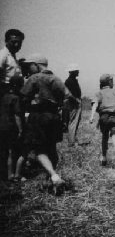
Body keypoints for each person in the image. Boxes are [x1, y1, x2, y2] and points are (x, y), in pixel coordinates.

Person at [20, 54, 68, 189]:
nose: (29, 68)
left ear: (36, 64)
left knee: (39, 150)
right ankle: (50, 181)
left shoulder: (34, 78)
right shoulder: (57, 79)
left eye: (30, 65)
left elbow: (23, 98)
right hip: (54, 116)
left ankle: (54, 176)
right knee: (52, 149)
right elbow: (68, 99)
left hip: (39, 116)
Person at [0, 75, 24, 182]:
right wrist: (20, 129)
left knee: (3, 151)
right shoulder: (15, 98)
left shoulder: (3, 96)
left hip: (1, 126)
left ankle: (4, 174)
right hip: (10, 127)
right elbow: (17, 115)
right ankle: (11, 174)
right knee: (11, 151)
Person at [64, 63, 85, 146]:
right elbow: (69, 94)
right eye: (77, 70)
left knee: (75, 121)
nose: (78, 72)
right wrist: (77, 100)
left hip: (75, 103)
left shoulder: (72, 80)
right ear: (73, 71)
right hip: (74, 104)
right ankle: (72, 141)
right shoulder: (70, 81)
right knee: (73, 122)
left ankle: (73, 139)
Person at [0, 29, 24, 97]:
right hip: (5, 92)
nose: (16, 45)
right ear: (6, 41)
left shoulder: (14, 57)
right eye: (13, 42)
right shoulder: (2, 55)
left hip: (14, 92)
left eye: (19, 43)